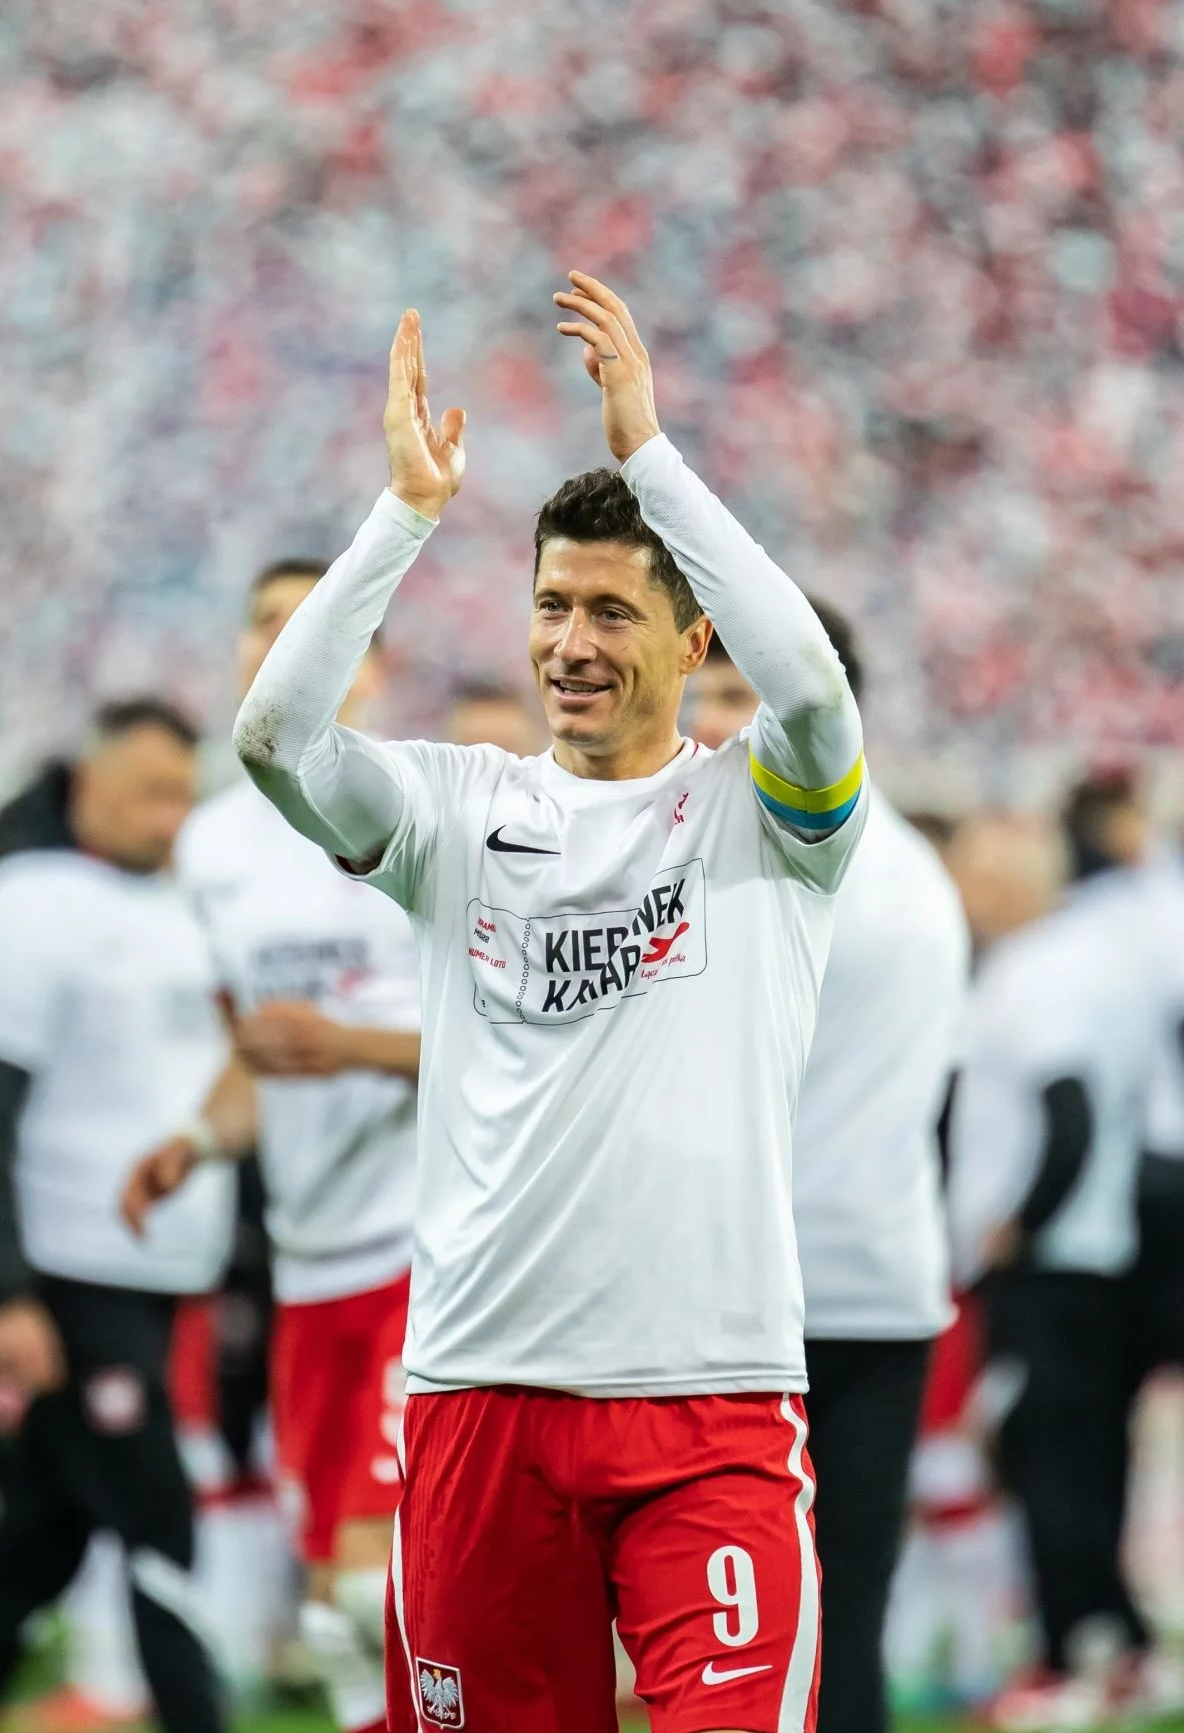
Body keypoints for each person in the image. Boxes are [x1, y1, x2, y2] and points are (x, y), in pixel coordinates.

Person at [235, 276, 867, 1733]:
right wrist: (400, 516)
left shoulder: (763, 815)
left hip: (705, 1402)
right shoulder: (453, 812)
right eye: (549, 605)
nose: (570, 642)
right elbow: (273, 739)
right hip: (477, 1395)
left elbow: (819, 697)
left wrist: (650, 455)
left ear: (690, 641)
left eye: (610, 610)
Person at [123, 561, 423, 1733]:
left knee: (371, 1579)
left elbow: (503, 1037)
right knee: (337, 1612)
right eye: (264, 625)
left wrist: (348, 1042)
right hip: (304, 1264)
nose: (283, 644)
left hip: (420, 1244)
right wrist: (194, 1139)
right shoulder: (211, 851)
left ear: (373, 663)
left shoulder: (418, 810)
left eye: (316, 623)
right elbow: (253, 1052)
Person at [0, 699, 234, 1733]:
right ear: (86, 786)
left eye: (181, 791)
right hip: (73, 1275)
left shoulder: (183, 901)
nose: (169, 810)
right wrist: (0, 1286)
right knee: (160, 1522)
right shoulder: (31, 902)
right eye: (148, 787)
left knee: (32, 1552)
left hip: (154, 1278)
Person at [687, 608, 969, 1733]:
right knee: (846, 1610)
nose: (698, 725)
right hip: (886, 1281)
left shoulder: (772, 872)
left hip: (759, 1291)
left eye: (720, 697)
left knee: (739, 1630)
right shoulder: (920, 877)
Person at [950, 777, 1172, 1729]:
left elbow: (1065, 1108)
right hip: (1102, 1246)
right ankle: (1113, 1643)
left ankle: (1069, 1651)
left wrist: (1017, 1222)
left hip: (1055, 1259)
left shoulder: (1034, 970)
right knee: (1091, 1455)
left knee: (1052, 1460)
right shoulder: (1091, 957)